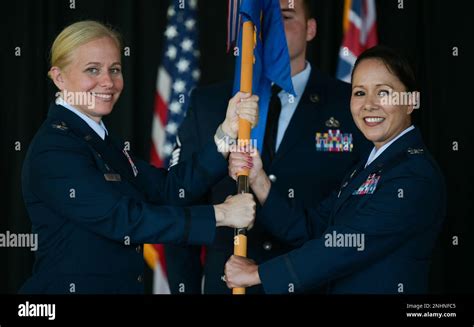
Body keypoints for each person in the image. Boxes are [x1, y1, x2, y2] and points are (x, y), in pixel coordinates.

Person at [19, 20, 258, 294]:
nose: (108, 82)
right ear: (59, 77)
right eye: (92, 70)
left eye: (115, 69)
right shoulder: (56, 148)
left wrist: (225, 133)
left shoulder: (98, 139)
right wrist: (221, 214)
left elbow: (168, 189)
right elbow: (123, 219)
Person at [164, 0, 371, 294]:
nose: (271, 27)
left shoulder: (347, 103)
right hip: (227, 286)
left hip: (311, 286)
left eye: (285, 17)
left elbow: (356, 217)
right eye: (262, 19)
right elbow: (180, 203)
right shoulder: (210, 105)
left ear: (311, 29)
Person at [224, 46, 446, 294]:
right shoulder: (365, 167)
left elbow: (344, 247)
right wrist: (258, 179)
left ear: (411, 102)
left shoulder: (414, 173)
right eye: (359, 92)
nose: (369, 105)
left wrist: (257, 274)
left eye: (384, 92)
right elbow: (311, 229)